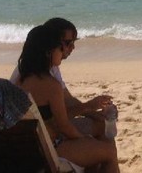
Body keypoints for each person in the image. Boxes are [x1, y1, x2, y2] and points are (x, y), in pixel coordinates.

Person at [15, 24, 120, 172]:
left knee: (94, 148)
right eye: (61, 47)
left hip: (35, 146)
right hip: (53, 148)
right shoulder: (51, 85)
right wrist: (83, 139)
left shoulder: (22, 78)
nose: (64, 50)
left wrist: (89, 109)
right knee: (109, 152)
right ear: (48, 52)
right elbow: (64, 126)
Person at [11, 18, 112, 139]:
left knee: (101, 124)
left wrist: (93, 113)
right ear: (50, 44)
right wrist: (86, 139)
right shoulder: (44, 79)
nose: (72, 47)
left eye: (74, 42)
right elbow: (59, 123)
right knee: (103, 136)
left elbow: (67, 100)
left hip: (38, 133)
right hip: (43, 137)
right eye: (68, 43)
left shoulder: (37, 68)